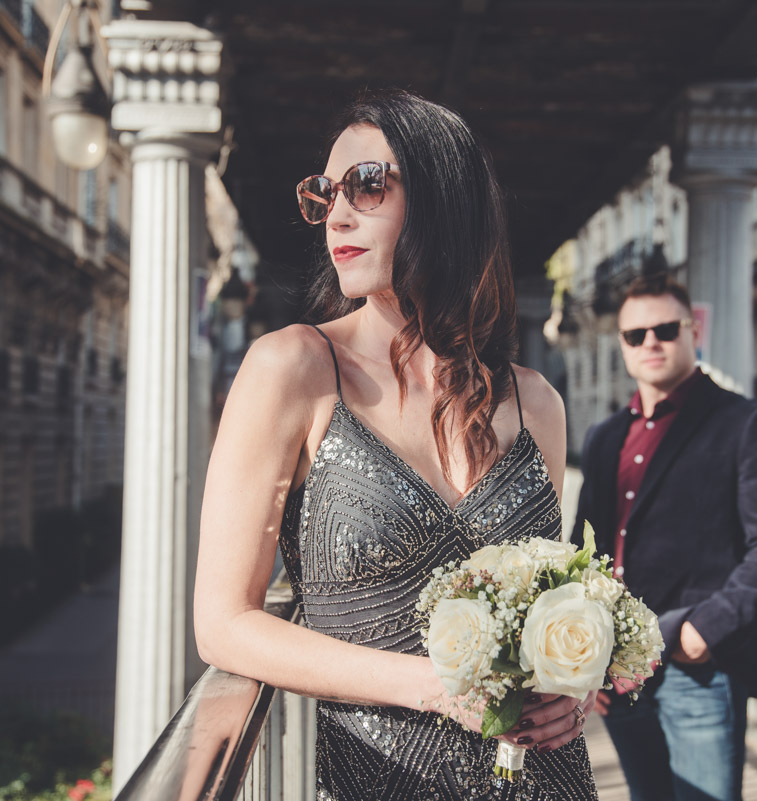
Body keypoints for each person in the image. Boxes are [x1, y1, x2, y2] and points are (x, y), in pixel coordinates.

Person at [195, 90, 600, 800]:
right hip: (380, 781)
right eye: (324, 194)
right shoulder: (291, 368)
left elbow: (543, 609)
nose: (338, 214)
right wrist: (434, 686)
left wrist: (571, 687)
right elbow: (225, 623)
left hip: (543, 781)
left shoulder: (537, 401)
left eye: (368, 184)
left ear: (447, 198)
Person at [570, 273, 757, 801]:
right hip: (618, 675)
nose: (650, 342)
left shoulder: (748, 423)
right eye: (635, 335)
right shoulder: (604, 436)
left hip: (695, 670)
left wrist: (706, 629)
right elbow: (582, 556)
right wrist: (585, 665)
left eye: (664, 329)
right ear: (623, 346)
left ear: (693, 328)